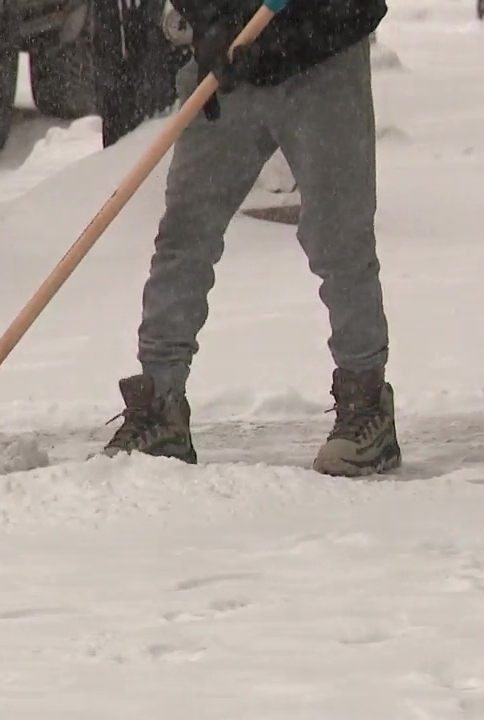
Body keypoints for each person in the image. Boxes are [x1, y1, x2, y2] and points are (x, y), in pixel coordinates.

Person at [101, 0, 398, 477]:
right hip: (228, 67)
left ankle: (366, 404)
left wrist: (286, 35)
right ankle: (160, 406)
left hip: (323, 58)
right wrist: (208, 21)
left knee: (338, 236)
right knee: (185, 234)